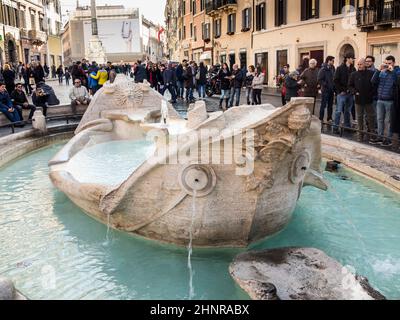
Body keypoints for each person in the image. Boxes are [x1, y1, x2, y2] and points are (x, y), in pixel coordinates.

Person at [371, 55, 400, 146]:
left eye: (389, 63)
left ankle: (388, 139)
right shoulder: (382, 72)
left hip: (390, 101)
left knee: (388, 121)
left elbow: (398, 83)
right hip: (380, 99)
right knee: (379, 119)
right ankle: (380, 137)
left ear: (394, 63)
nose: (387, 65)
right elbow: (373, 81)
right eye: (386, 63)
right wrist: (378, 70)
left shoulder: (397, 72)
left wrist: (393, 72)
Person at [348, 58, 376, 142]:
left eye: (361, 64)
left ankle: (372, 134)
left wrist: (371, 94)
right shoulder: (354, 74)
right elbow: (350, 85)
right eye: (358, 64)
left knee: (371, 117)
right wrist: (354, 92)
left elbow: (375, 85)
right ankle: (360, 134)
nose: (359, 66)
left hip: (368, 99)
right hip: (358, 99)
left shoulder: (371, 73)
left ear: (365, 64)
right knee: (359, 117)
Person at [333, 54, 356, 133]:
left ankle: (347, 127)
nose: (353, 60)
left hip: (350, 94)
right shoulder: (339, 68)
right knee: (338, 111)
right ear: (348, 59)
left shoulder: (353, 68)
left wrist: (353, 91)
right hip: (341, 94)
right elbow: (335, 80)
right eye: (352, 58)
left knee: (347, 111)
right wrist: (340, 91)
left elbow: (354, 81)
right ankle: (335, 128)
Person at [318, 56, 336, 123]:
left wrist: (333, 87)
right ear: (329, 61)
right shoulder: (323, 69)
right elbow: (319, 80)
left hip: (331, 90)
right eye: (332, 61)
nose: (333, 62)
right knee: (323, 105)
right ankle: (321, 118)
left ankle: (329, 118)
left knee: (330, 105)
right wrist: (326, 84)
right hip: (325, 90)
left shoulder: (333, 68)